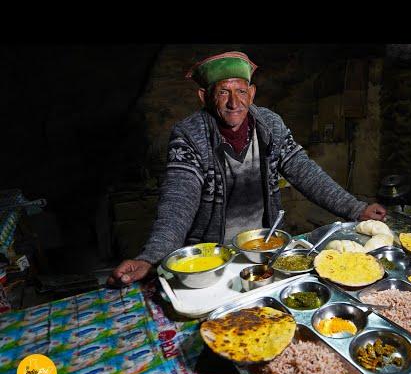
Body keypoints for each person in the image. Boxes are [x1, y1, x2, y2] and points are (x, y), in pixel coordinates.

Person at [108, 51, 386, 287]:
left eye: (241, 91)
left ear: (251, 93)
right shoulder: (189, 135)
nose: (234, 102)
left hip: (264, 248)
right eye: (223, 92)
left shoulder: (270, 125)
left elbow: (304, 171)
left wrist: (354, 208)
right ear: (204, 97)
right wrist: (151, 256)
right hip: (213, 257)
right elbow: (178, 201)